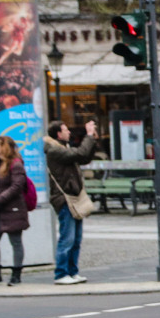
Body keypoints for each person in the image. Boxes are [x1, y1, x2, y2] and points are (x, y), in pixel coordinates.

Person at [44, 120, 98, 285]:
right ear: (59, 134)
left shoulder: (63, 148)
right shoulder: (54, 150)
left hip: (74, 197)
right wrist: (88, 135)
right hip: (65, 198)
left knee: (76, 238)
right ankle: (61, 273)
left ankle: (72, 271)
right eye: (66, 130)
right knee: (67, 238)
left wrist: (92, 140)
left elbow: (84, 156)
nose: (69, 132)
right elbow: (80, 154)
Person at [0, 135, 30, 286]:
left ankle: (16, 274)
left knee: (15, 241)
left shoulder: (16, 165)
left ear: (4, 147)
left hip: (13, 209)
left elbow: (17, 187)